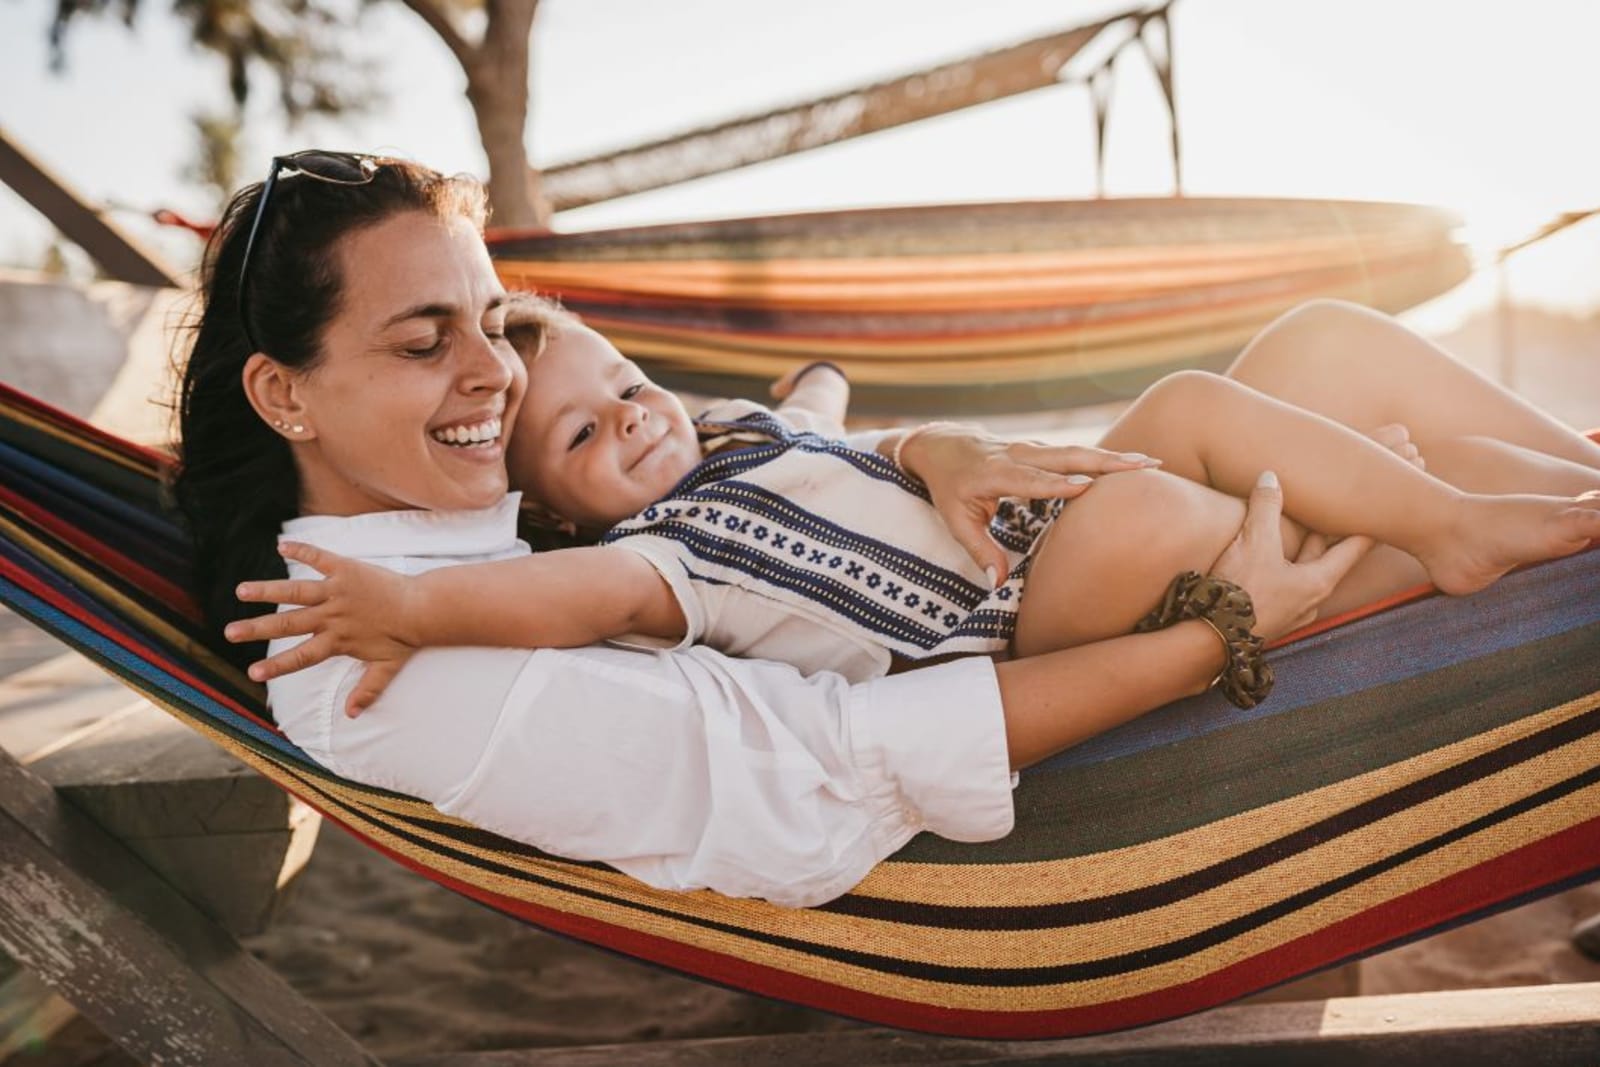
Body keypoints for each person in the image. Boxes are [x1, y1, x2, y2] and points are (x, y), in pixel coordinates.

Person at [177, 151, 1598, 908]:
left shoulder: (533, 500)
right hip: (1071, 727)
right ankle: (1476, 524)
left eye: (494, 324)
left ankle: (1525, 498)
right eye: (428, 343)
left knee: (1334, 353)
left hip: (1031, 562)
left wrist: (934, 443)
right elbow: (813, 771)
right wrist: (1220, 636)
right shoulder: (365, 645)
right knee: (1364, 483)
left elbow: (812, 414)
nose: (492, 375)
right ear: (281, 392)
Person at [228, 291, 1600, 712]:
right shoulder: (667, 551)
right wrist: (408, 605)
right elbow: (554, 597)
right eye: (583, 433)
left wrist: (895, 416)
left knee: (1325, 342)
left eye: (631, 380)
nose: (637, 417)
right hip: (1016, 623)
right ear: (567, 509)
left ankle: (1554, 478)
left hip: (1040, 522)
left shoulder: (733, 436)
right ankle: (1445, 528)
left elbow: (822, 395)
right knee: (1170, 451)